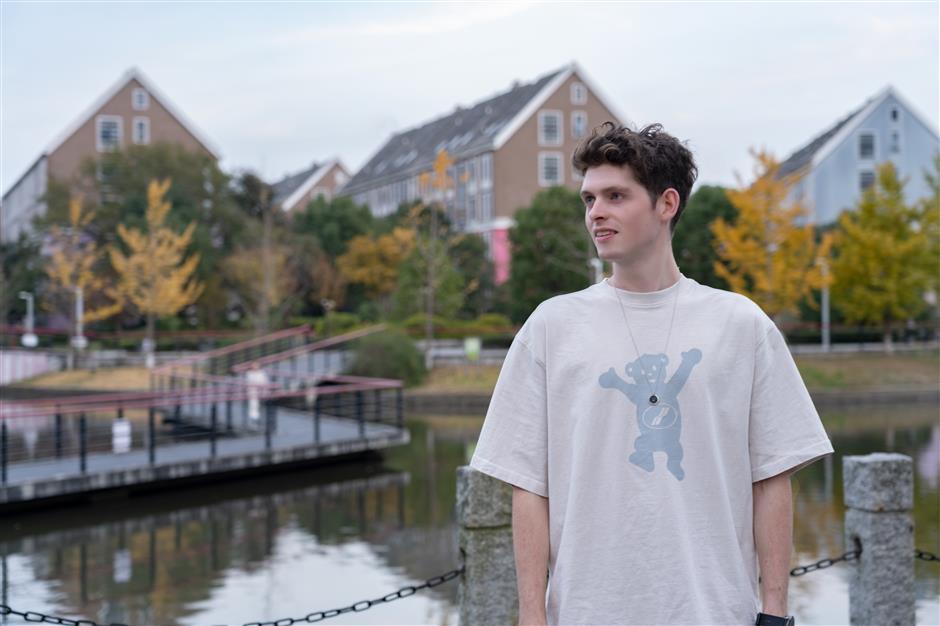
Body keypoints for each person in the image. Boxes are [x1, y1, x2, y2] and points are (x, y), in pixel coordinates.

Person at [469, 122, 833, 626]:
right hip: (587, 614)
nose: (596, 212)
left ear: (667, 204)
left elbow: (772, 475)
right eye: (589, 199)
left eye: (615, 196)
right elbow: (529, 487)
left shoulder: (741, 324)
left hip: (715, 612)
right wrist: (532, 616)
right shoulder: (551, 327)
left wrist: (774, 612)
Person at [245, 361, 269, 430]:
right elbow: (249, 383)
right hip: (253, 392)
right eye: (253, 366)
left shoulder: (262, 373)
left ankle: (260, 418)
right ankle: (254, 418)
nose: (255, 367)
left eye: (256, 366)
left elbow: (265, 382)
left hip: (261, 391)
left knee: (261, 406)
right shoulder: (249, 373)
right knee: (253, 404)